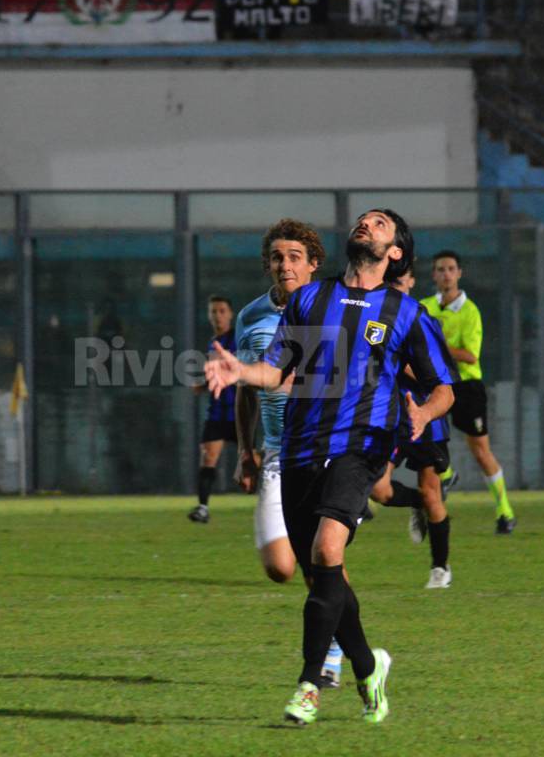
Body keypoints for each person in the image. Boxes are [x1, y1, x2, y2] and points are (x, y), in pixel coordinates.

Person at [205, 209, 455, 726]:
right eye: (364, 220)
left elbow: (443, 389)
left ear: (396, 252)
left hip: (360, 448)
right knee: (326, 575)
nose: (366, 224)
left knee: (325, 550)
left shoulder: (406, 312)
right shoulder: (308, 299)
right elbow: (275, 371)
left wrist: (422, 412)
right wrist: (240, 371)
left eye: (380, 223)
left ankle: (309, 685)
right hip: (297, 449)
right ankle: (368, 666)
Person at [234, 218, 347, 687]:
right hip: (277, 454)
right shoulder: (249, 317)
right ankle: (344, 649)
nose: (285, 265)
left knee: (322, 556)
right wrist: (244, 448)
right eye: (278, 257)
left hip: (326, 451)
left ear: (313, 264)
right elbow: (246, 389)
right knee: (282, 566)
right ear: (268, 264)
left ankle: (334, 655)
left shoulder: (334, 312)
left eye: (295, 257)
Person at [370, 267, 456, 589]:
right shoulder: (376, 321)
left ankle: (440, 568)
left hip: (425, 417)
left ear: (411, 282)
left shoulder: (422, 320)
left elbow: (442, 378)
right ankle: (416, 503)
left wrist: (406, 363)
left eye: (400, 281)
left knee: (433, 492)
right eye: (389, 282)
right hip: (391, 418)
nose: (395, 287)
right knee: (379, 489)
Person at [422, 250, 516, 535]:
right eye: (440, 269)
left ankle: (505, 511)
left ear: (459, 273)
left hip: (466, 387)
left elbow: (470, 356)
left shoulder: (470, 311)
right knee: (422, 434)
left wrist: (437, 344)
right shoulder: (423, 307)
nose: (446, 274)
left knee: (480, 450)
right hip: (436, 384)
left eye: (451, 268)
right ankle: (446, 479)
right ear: (434, 275)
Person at [188, 295, 237, 523]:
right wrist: (204, 385)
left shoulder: (237, 339)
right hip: (218, 411)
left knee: (257, 460)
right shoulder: (212, 342)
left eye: (222, 310)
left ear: (230, 314)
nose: (217, 315)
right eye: (213, 311)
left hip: (240, 412)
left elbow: (238, 371)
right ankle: (203, 508)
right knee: (208, 456)